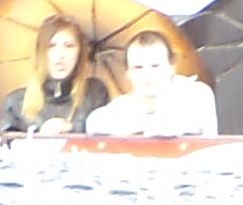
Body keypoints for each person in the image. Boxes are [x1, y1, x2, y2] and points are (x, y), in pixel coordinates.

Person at [84, 31, 221, 138]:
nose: (147, 75)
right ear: (128, 73)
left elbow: (186, 126)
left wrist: (137, 127)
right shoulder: (121, 105)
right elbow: (94, 122)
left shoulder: (196, 94)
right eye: (138, 67)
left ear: (171, 67)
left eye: (155, 66)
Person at [0, 15, 111, 136]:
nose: (60, 55)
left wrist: (72, 132)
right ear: (40, 51)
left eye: (69, 46)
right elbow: (8, 145)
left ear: (80, 51)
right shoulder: (17, 102)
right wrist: (41, 138)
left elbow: (105, 141)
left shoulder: (95, 93)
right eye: (51, 46)